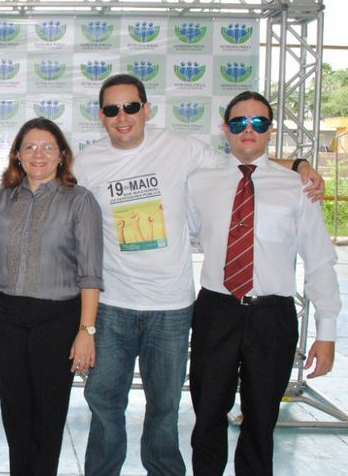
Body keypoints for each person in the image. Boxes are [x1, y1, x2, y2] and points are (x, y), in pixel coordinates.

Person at [74, 74, 325, 476]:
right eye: (112, 109)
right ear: (100, 116)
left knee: (166, 408)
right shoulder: (86, 162)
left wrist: (297, 166)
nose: (123, 117)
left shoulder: (180, 148)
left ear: (146, 109)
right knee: (104, 403)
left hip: (172, 310)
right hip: (112, 306)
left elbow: (243, 162)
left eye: (131, 107)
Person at [187, 91, 341, 476]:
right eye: (239, 122)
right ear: (225, 129)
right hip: (215, 311)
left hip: (272, 316)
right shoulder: (199, 182)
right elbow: (177, 237)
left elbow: (320, 260)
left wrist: (327, 332)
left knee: (261, 418)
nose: (248, 130)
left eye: (258, 122)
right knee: (206, 415)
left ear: (271, 130)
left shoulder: (297, 187)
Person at [0, 117, 104, 476]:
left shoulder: (80, 201)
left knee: (48, 416)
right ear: (16, 155)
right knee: (14, 413)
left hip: (59, 318)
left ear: (62, 155)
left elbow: (91, 273)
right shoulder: (1, 199)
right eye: (30, 147)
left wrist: (86, 331)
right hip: (9, 316)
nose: (39, 155)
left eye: (48, 147)